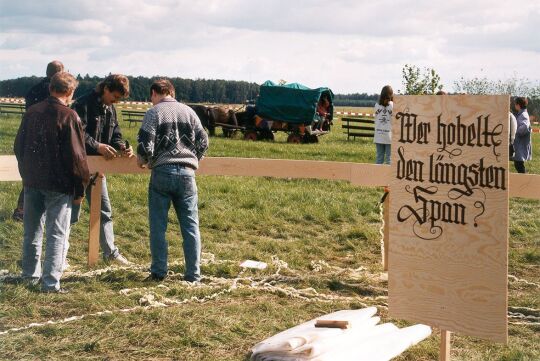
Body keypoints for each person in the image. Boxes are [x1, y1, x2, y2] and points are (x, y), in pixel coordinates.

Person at [14, 71, 89, 293]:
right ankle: (50, 283)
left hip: (32, 181)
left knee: (32, 231)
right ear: (70, 92)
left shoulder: (31, 112)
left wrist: (26, 174)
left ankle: (29, 274)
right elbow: (78, 158)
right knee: (57, 233)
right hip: (59, 185)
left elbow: (19, 147)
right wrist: (81, 187)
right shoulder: (70, 116)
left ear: (50, 88)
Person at [137, 79, 208, 282]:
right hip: (187, 174)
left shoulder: (154, 113)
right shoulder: (189, 112)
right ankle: (193, 274)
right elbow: (204, 141)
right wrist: (194, 159)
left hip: (162, 172)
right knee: (191, 226)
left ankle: (159, 272)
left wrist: (144, 160)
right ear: (172, 92)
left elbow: (145, 145)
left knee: (158, 226)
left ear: (154, 93)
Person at [71, 74, 133, 265]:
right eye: (115, 96)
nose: (116, 101)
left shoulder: (111, 109)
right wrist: (97, 146)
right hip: (77, 169)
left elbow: (115, 132)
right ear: (105, 89)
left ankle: (110, 253)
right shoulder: (82, 105)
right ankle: (59, 255)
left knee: (104, 211)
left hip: (98, 171)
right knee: (71, 213)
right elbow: (78, 133)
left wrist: (121, 146)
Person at [12, 60, 65, 222]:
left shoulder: (33, 90)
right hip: (48, 139)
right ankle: (29, 210)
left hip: (30, 136)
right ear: (59, 73)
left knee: (30, 178)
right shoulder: (56, 91)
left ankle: (21, 209)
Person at [373, 85, 393, 165]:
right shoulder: (392, 105)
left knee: (379, 158)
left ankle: (377, 176)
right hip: (389, 135)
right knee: (389, 159)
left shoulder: (377, 105)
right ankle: (388, 177)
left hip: (378, 135)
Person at [512, 97, 532, 173]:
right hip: (520, 143)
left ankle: (525, 179)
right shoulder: (521, 114)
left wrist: (515, 131)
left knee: (518, 164)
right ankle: (524, 177)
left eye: (515, 104)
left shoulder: (523, 115)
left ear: (518, 105)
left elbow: (525, 127)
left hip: (521, 144)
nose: (514, 105)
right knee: (518, 163)